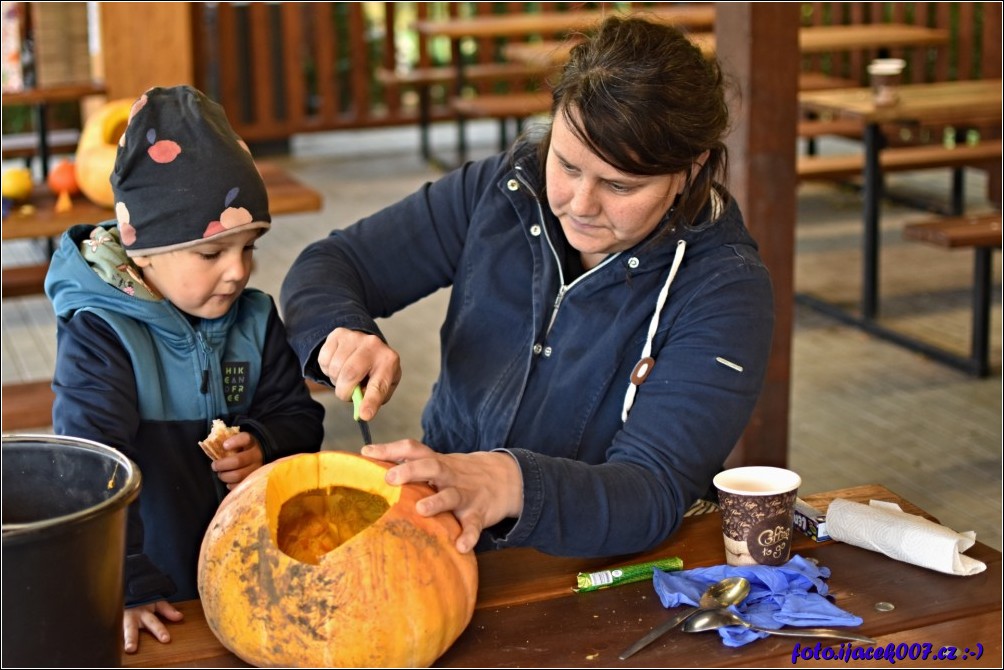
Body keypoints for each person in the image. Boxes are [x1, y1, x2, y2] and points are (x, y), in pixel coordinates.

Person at [280, 17, 773, 559]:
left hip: (589, 577)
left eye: (619, 185)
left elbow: (652, 490)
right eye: (566, 164)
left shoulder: (724, 288)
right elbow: (334, 262)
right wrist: (341, 331)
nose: (580, 205)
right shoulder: (503, 190)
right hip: (443, 535)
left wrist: (507, 481)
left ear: (691, 167)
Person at [45, 86, 325, 654]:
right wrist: (124, 582)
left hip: (251, 572)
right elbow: (87, 468)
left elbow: (299, 417)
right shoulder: (102, 335)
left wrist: (264, 443)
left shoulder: (255, 320)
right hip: (154, 585)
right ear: (143, 252)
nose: (237, 271)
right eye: (211, 253)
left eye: (248, 248)